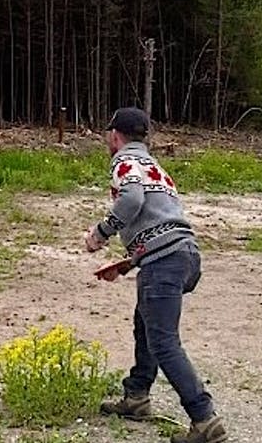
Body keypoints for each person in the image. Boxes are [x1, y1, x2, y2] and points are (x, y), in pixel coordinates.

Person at [86, 107, 227, 443]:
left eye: (109, 134)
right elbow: (161, 223)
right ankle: (137, 396)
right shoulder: (155, 168)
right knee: (144, 323)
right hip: (183, 255)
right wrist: (129, 263)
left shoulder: (123, 162)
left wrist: (101, 233)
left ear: (115, 136)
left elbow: (132, 200)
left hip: (164, 261)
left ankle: (205, 420)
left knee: (164, 342)